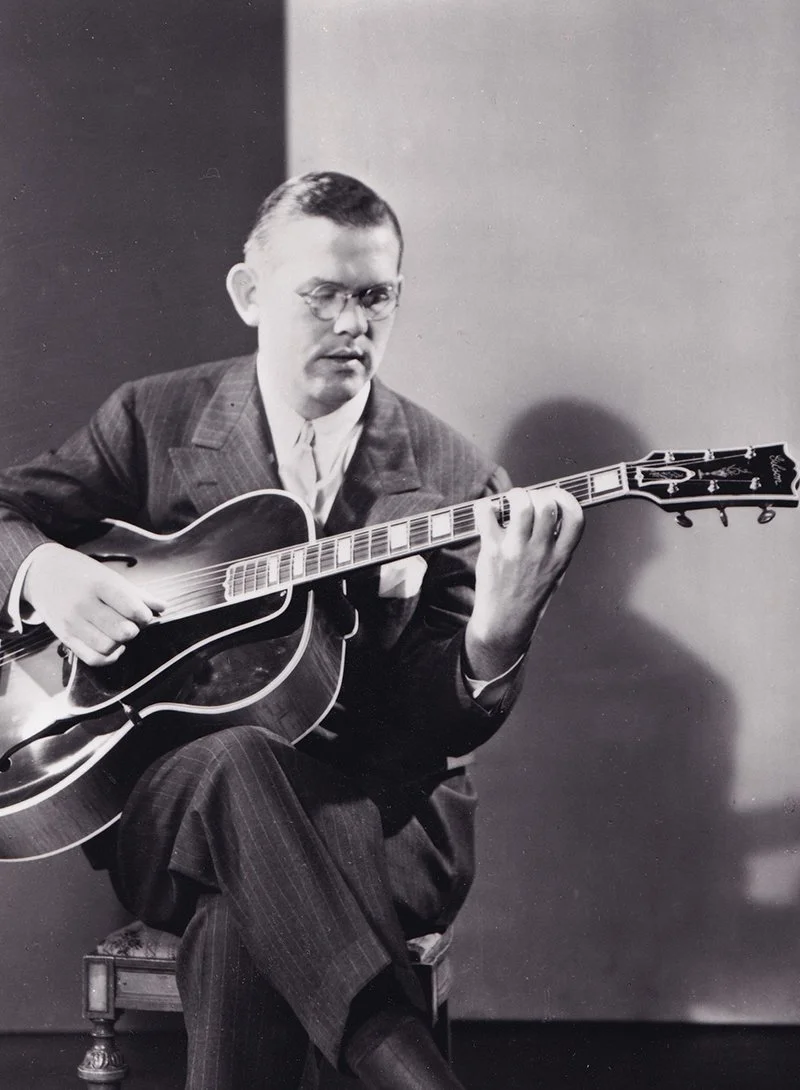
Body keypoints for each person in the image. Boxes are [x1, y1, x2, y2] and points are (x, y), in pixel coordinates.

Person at [0, 172, 584, 1089]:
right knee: (237, 763)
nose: (353, 325)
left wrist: (495, 642)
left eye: (376, 297)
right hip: (175, 811)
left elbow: (436, 726)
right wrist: (43, 568)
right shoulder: (154, 417)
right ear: (249, 293)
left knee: (241, 914)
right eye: (324, 295)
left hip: (383, 820)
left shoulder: (456, 477)